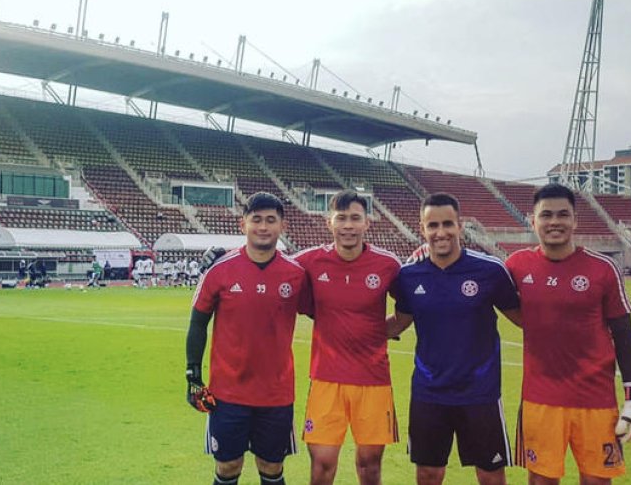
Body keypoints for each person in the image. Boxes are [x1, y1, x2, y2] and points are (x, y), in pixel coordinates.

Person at [505, 184, 631, 485]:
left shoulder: (603, 268)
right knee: (541, 482)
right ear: (533, 221)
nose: (555, 222)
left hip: (595, 401)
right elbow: (480, 282)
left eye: (563, 215)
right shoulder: (515, 265)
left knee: (596, 482)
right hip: (540, 400)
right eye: (547, 215)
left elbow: (624, 334)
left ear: (575, 220)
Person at [388, 193, 521, 485]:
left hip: (480, 393)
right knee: (428, 473)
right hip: (429, 392)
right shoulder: (409, 277)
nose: (440, 232)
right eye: (432, 225)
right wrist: (344, 328)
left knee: (490, 474)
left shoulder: (489, 271)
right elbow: (399, 322)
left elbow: (524, 319)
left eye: (448, 223)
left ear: (460, 226)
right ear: (421, 229)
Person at [185, 192, 309, 485]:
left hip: (276, 393)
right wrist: (193, 374)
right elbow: (198, 322)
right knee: (228, 466)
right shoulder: (220, 269)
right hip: (227, 393)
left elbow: (326, 313)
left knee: (271, 466)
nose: (263, 227)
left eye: (270, 220)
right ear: (243, 225)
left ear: (282, 226)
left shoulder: (296, 274)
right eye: (256, 220)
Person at [291, 190, 403, 485]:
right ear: (330, 223)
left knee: (369, 466)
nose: (348, 226)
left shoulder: (388, 265)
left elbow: (408, 311)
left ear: (367, 223)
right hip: (327, 379)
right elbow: (273, 267)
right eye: (341, 218)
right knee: (322, 464)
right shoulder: (310, 261)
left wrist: (379, 333)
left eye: (355, 218)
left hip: (373, 381)